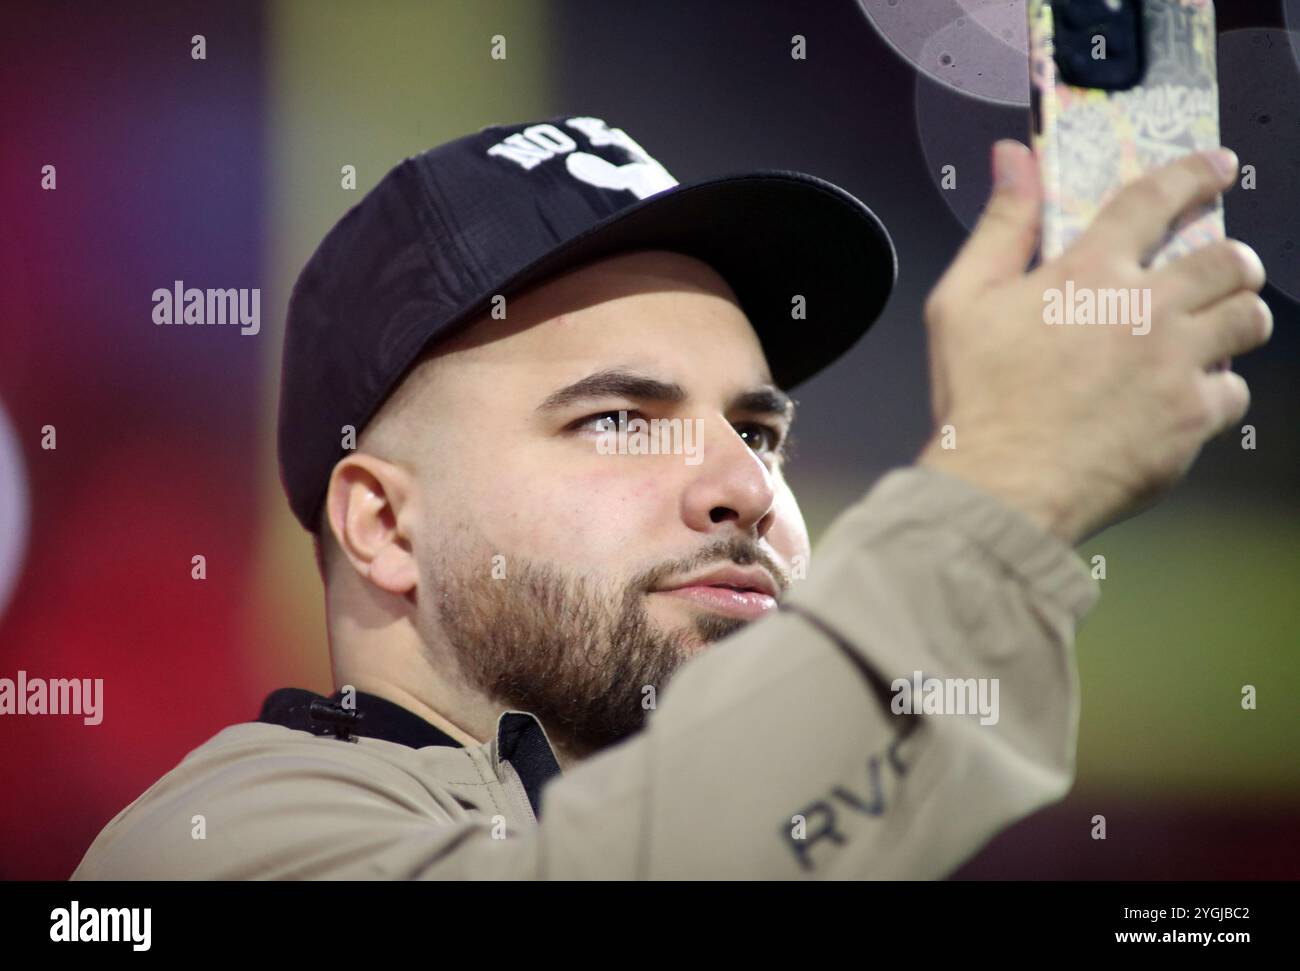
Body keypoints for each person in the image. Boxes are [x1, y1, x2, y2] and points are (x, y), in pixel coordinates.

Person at [72, 116, 1269, 879]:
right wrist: (1004, 485)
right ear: (385, 524)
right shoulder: (197, 852)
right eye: (617, 418)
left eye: (758, 430)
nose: (745, 486)